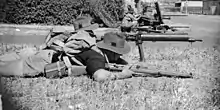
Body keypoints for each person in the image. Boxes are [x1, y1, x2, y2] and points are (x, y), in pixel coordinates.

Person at [0, 30, 133, 82]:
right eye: (119, 54)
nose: (120, 57)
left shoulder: (92, 47)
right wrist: (121, 75)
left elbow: (118, 61)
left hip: (48, 53)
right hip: (42, 61)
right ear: (110, 51)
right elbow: (99, 76)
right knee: (4, 69)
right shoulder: (96, 57)